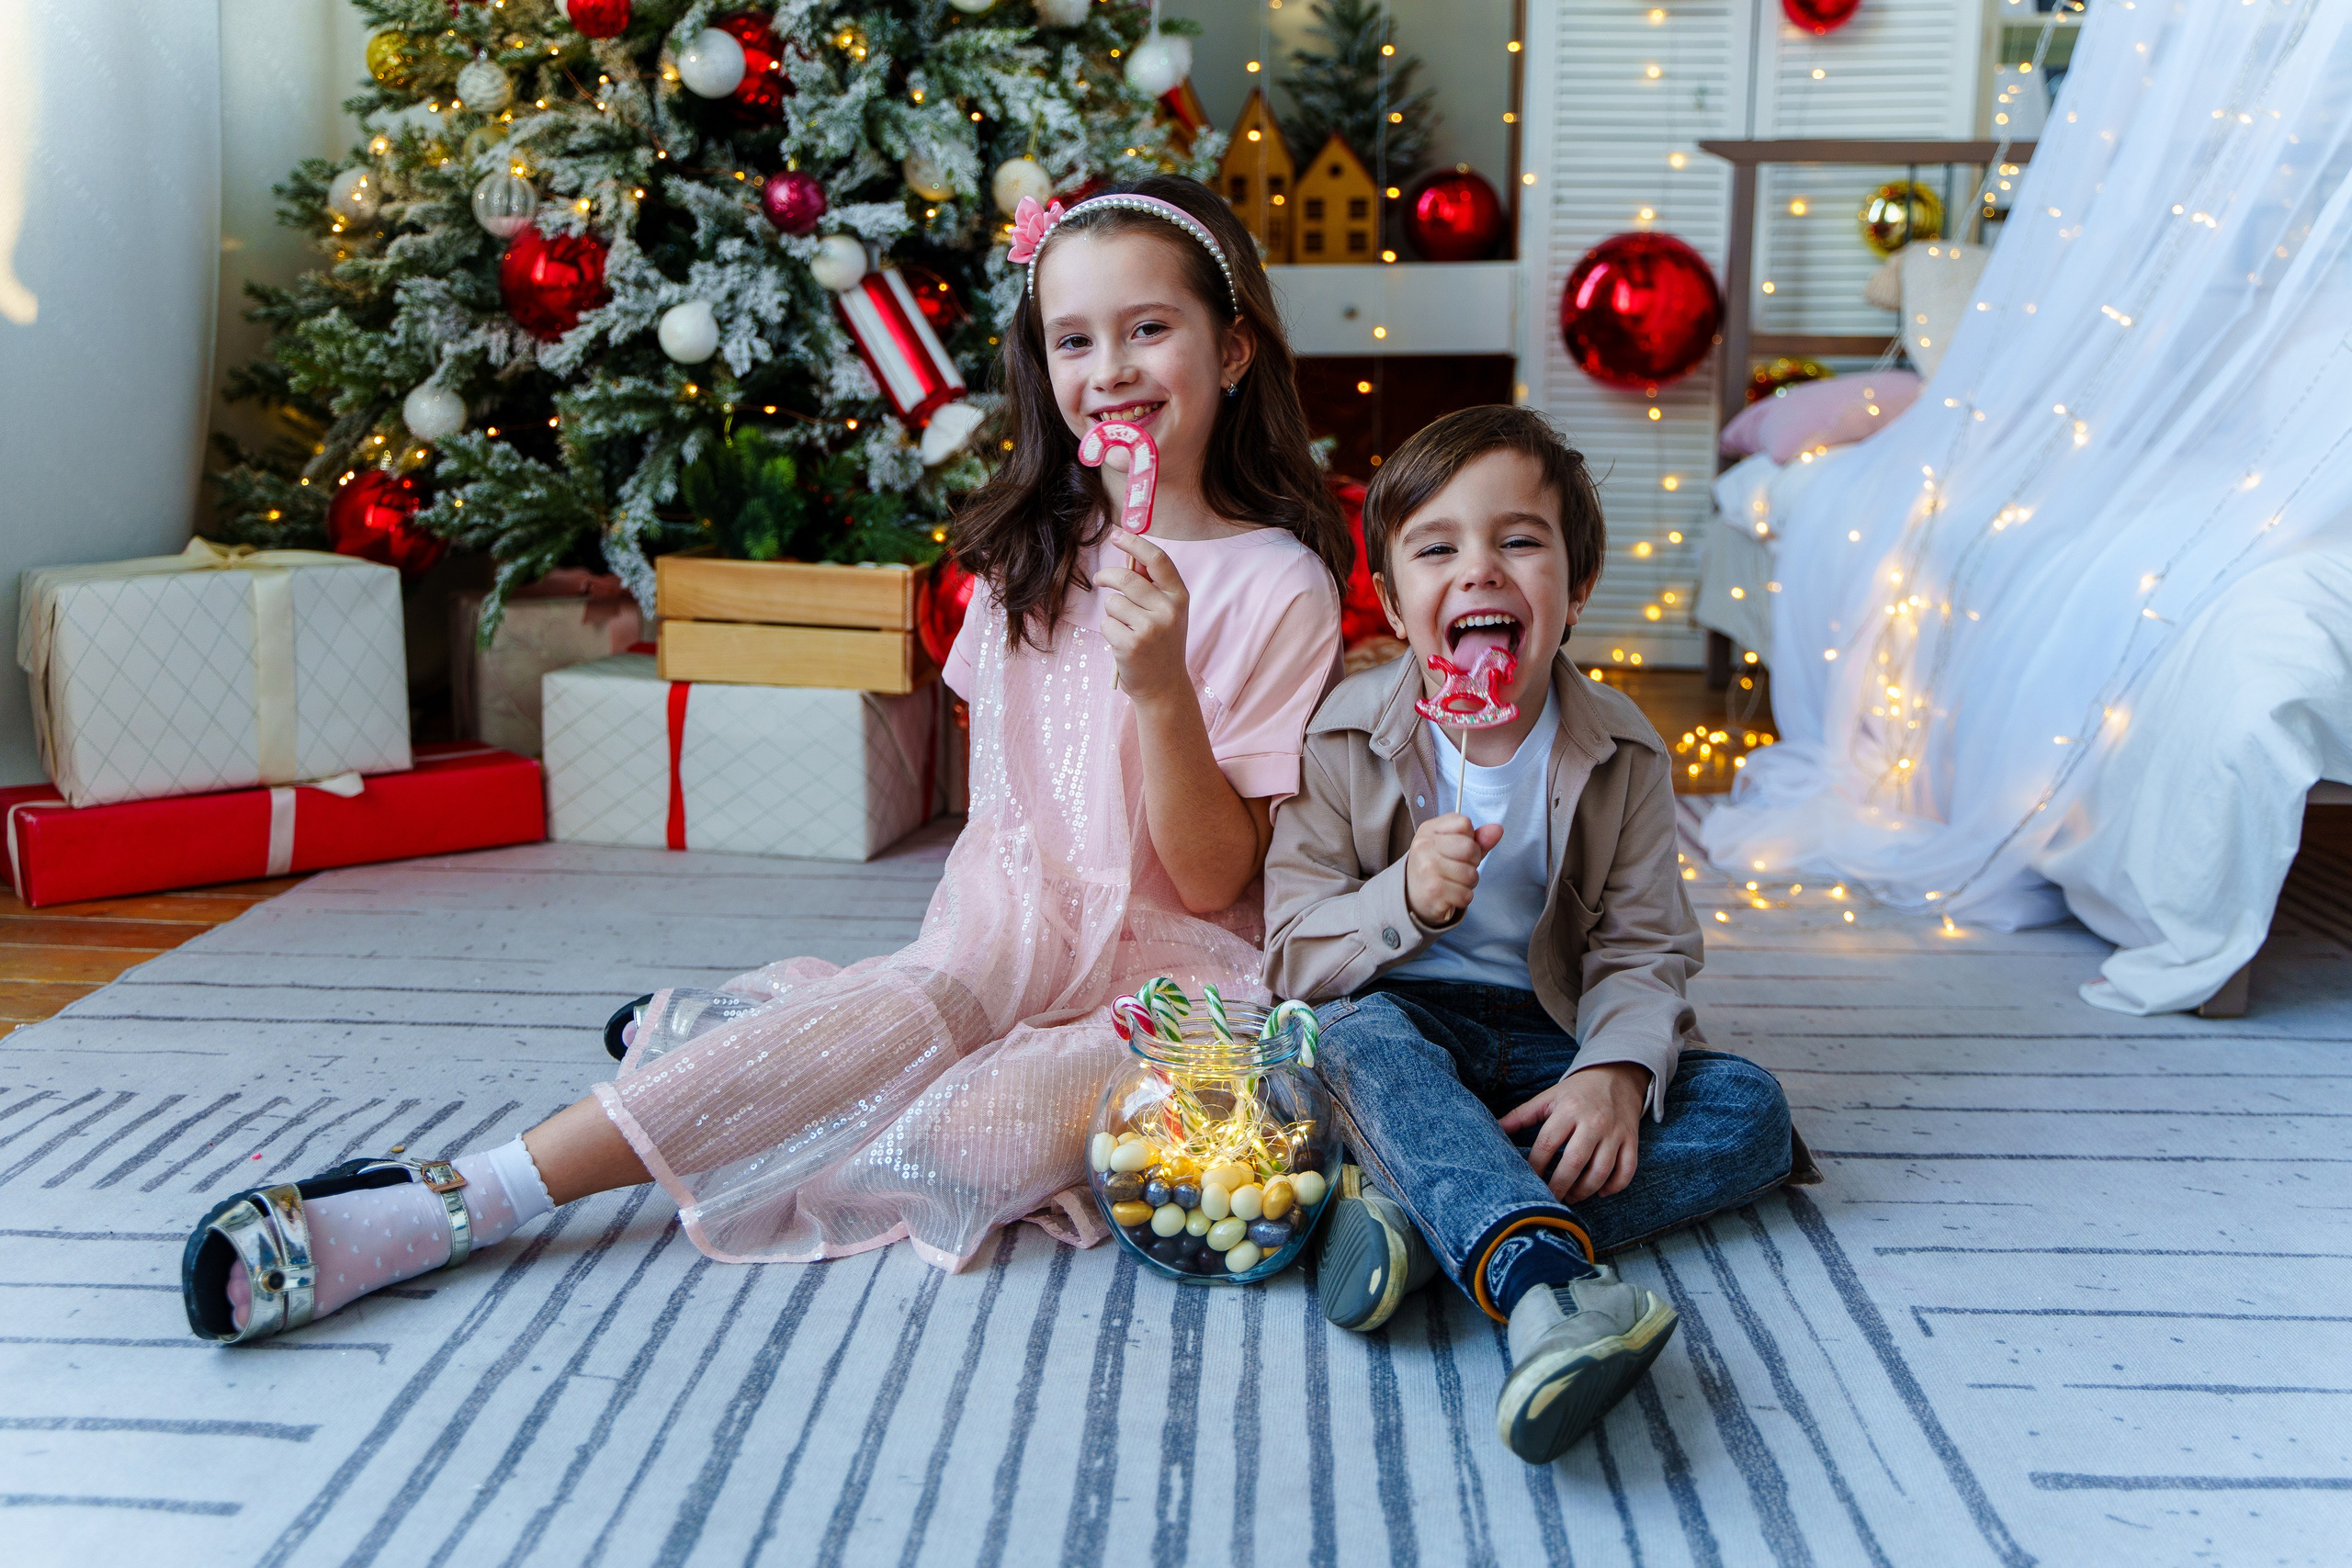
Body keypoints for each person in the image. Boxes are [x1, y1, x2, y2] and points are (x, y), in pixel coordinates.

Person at [180, 175, 1349, 1343]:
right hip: (1001, 938)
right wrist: (972, 973)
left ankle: (752, 1038)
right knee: (906, 1019)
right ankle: (474, 1193)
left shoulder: (1275, 583)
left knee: (952, 1142)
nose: (1115, 368)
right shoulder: (1025, 563)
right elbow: (1004, 830)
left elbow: (1212, 884)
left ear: (1233, 347)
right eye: (1074, 340)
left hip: (1169, 990)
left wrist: (1161, 687)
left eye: (1151, 328)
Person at [1261, 406, 1806, 1465]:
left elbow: (1643, 952)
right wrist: (1402, 901)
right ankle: (1539, 1286)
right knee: (1345, 1044)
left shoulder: (1625, 751)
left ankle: (1427, 1223)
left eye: (1518, 540)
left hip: (1552, 1040)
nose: (1479, 570)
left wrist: (1611, 1069)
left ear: (1576, 586)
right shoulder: (1339, 739)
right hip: (1404, 1023)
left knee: (1755, 1113)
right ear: (1390, 598)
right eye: (1437, 547)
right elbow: (1289, 955)